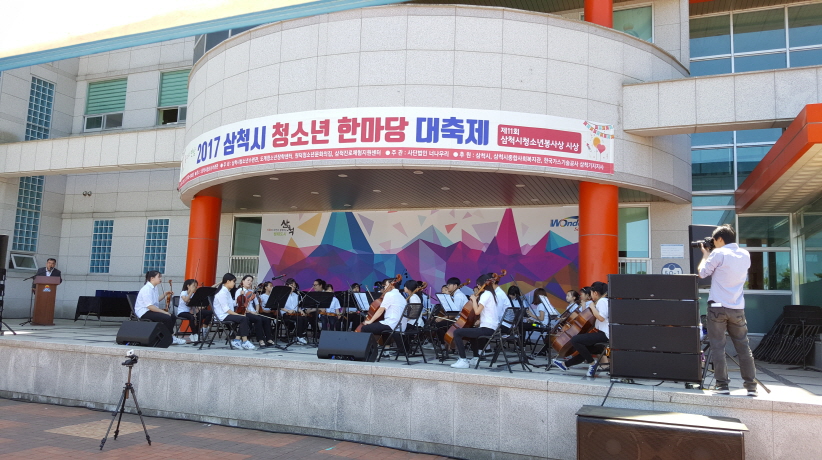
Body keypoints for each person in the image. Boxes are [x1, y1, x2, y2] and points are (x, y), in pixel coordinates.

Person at [698, 224, 756, 396]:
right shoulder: (745, 254)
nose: (713, 243)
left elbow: (702, 273)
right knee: (743, 347)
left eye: (714, 240)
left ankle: (722, 386)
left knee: (718, 347)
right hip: (737, 308)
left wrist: (705, 255)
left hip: (717, 308)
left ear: (720, 239)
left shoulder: (718, 253)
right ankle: (751, 387)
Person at [553, 281, 610, 377]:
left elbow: (601, 318)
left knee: (575, 340)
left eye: (591, 293)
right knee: (586, 350)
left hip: (605, 333)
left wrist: (592, 307)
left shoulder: (602, 301)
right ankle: (565, 365)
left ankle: (592, 364)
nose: (591, 295)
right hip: (603, 333)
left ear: (595, 293)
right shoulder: (604, 301)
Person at [451, 274, 499, 369]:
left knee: (457, 332)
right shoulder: (492, 294)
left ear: (483, 284)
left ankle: (463, 360)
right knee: (471, 332)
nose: (477, 286)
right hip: (491, 328)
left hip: (487, 329)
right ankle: (476, 357)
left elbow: (477, 311)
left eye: (478, 284)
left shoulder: (486, 294)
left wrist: (473, 300)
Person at [133, 271, 186, 345]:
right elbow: (150, 306)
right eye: (159, 277)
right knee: (167, 317)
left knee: (173, 317)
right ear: (152, 278)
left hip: (150, 310)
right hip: (144, 312)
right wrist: (164, 312)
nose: (160, 278)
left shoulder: (154, 288)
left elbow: (156, 300)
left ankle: (168, 336)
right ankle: (170, 338)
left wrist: (165, 294)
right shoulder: (146, 289)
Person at [212, 273, 256, 350]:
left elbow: (232, 303)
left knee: (245, 318)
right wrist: (238, 315)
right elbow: (227, 310)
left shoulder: (227, 291)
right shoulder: (222, 293)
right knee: (243, 318)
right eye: (233, 281)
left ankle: (237, 340)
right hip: (222, 316)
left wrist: (241, 297)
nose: (234, 283)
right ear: (228, 281)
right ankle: (244, 341)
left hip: (227, 314)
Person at [359, 277, 405, 346]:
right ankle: (386, 349)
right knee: (383, 325)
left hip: (392, 324)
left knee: (365, 328)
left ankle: (366, 348)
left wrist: (370, 321)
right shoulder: (401, 296)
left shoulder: (389, 294)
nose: (385, 287)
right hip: (401, 325)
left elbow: (380, 310)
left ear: (392, 285)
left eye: (386, 285)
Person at [235, 275, 276, 348]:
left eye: (251, 281)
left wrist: (257, 311)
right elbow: (239, 305)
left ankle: (269, 339)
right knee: (258, 319)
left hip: (253, 312)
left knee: (266, 319)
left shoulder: (251, 291)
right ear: (243, 281)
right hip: (245, 313)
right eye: (248, 280)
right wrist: (251, 312)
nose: (250, 282)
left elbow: (257, 303)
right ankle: (260, 340)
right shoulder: (239, 291)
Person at [281, 279, 309, 344]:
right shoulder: (282, 295)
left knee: (305, 318)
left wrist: (301, 311)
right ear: (287, 285)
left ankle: (298, 335)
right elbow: (279, 306)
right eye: (292, 285)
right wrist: (288, 310)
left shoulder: (296, 295)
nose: (294, 287)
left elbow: (296, 307)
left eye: (294, 286)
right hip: (286, 314)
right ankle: (299, 336)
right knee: (299, 319)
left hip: (294, 314)